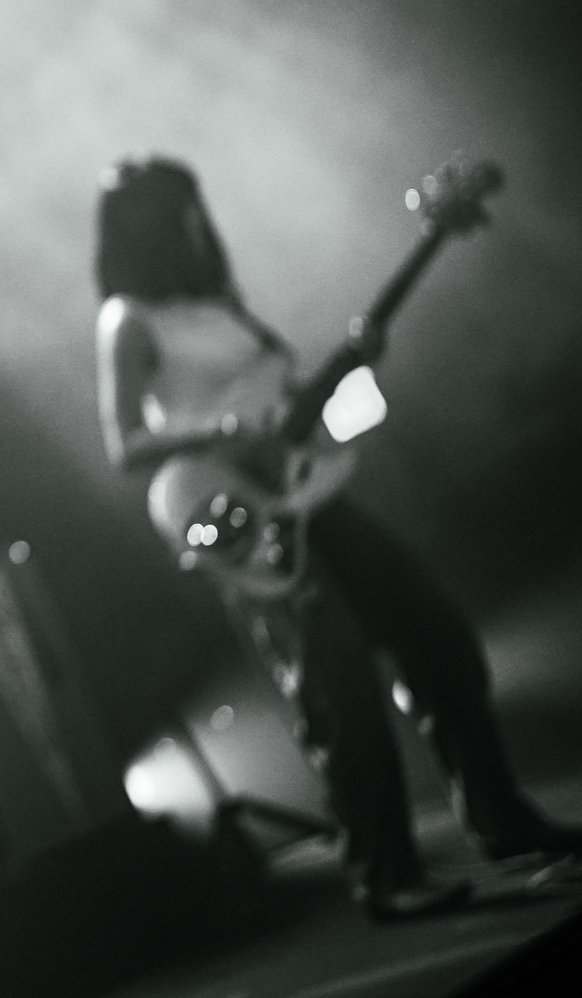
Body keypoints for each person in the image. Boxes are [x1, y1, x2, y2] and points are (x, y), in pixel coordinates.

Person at [92, 154, 581, 921]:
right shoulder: (128, 319)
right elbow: (124, 443)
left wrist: (354, 365)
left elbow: (291, 403)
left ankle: (501, 818)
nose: (194, 222)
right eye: (177, 210)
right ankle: (384, 873)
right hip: (234, 511)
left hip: (307, 493)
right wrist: (224, 430)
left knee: (437, 637)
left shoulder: (220, 303)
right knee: (337, 685)